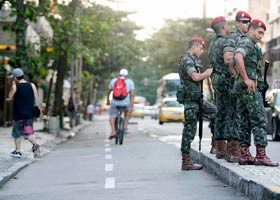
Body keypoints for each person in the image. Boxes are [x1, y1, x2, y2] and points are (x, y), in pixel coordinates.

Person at [234, 19, 278, 167]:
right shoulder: (247, 42)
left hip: (243, 88)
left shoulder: (247, 43)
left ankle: (244, 154)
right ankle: (261, 155)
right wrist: (246, 78)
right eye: (259, 32)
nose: (261, 36)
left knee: (244, 121)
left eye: (263, 33)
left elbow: (233, 64)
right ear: (251, 30)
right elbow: (237, 57)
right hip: (250, 88)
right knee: (259, 119)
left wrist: (240, 78)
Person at [178, 37, 216, 170]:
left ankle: (215, 144)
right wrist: (207, 73)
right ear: (194, 46)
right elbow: (195, 77)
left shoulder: (193, 60)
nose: (201, 51)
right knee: (189, 129)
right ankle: (186, 161)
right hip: (190, 101)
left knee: (215, 113)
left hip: (198, 99)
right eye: (200, 48)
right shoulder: (187, 60)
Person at [223, 11, 252, 163]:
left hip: (243, 83)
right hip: (235, 83)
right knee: (234, 114)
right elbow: (228, 59)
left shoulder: (247, 39)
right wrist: (239, 76)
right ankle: (232, 150)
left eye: (249, 21)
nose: (247, 24)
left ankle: (239, 150)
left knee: (242, 115)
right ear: (237, 23)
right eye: (244, 21)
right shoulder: (233, 37)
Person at [208, 16, 231, 159]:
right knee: (229, 113)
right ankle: (228, 149)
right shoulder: (225, 42)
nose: (229, 27)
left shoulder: (212, 43)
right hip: (225, 79)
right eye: (228, 25)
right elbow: (228, 61)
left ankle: (219, 148)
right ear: (223, 27)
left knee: (220, 113)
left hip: (216, 80)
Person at [6, 68, 41, 158]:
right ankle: (35, 144)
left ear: (15, 78)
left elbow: (9, 97)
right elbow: (36, 99)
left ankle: (18, 151)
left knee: (17, 133)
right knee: (29, 132)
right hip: (29, 115)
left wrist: (13, 86)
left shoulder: (15, 86)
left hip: (18, 115)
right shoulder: (32, 85)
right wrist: (37, 112)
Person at [106, 69, 135, 139]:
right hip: (125, 103)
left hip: (114, 103)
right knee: (128, 111)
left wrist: (108, 101)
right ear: (127, 75)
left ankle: (113, 131)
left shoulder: (113, 81)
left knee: (112, 116)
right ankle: (125, 126)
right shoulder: (130, 82)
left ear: (119, 74)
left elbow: (109, 92)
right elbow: (132, 95)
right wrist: (132, 105)